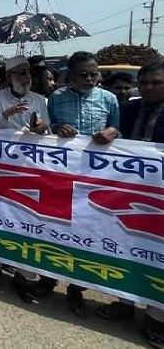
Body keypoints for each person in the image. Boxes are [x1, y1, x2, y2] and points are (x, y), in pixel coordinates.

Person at [96, 61, 164, 347]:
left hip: (158, 198)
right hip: (126, 194)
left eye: (156, 83)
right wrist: (112, 133)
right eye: (145, 82)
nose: (149, 88)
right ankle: (124, 303)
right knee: (127, 248)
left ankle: (156, 318)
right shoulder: (128, 109)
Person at [47, 51, 119, 318]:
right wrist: (56, 129)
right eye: (83, 74)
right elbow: (48, 130)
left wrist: (113, 132)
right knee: (55, 229)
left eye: (93, 73)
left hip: (95, 182)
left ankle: (76, 289)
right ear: (70, 76)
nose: (90, 78)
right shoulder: (55, 98)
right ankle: (48, 279)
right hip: (61, 178)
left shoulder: (109, 99)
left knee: (87, 233)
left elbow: (119, 133)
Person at [0, 56, 49, 303]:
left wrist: (43, 128)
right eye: (20, 73)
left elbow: (49, 134)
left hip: (30, 172)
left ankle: (23, 277)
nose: (26, 77)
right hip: (1, 170)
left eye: (28, 72)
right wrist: (6, 115)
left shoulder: (40, 101)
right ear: (9, 77)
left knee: (27, 224)